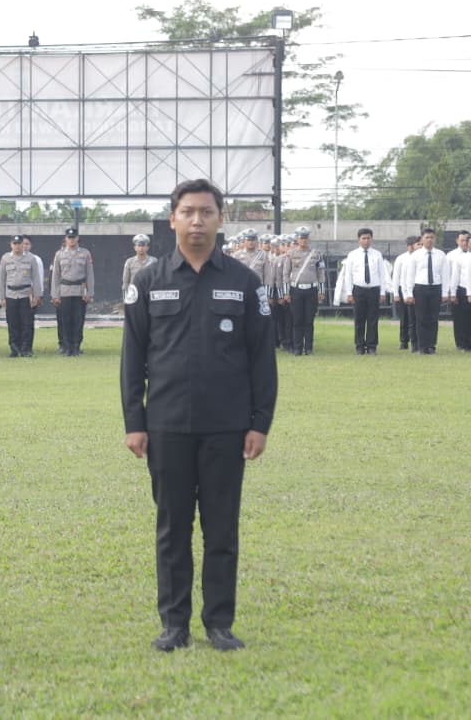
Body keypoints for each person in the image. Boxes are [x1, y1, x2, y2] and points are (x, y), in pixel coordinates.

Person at [120, 178, 277, 653]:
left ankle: (219, 623)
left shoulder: (244, 282)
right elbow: (133, 358)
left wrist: (259, 422)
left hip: (227, 427)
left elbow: (261, 359)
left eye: (206, 212)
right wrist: (134, 422)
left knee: (221, 527)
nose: (197, 220)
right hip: (166, 427)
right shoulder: (148, 281)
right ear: (172, 219)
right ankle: (174, 623)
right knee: (172, 529)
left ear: (220, 219)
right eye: (187, 212)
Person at [333, 228, 390, 355]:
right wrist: (349, 293)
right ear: (359, 240)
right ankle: (359, 346)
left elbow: (382, 274)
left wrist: (382, 292)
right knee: (359, 319)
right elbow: (348, 276)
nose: (366, 240)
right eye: (363, 238)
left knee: (373, 319)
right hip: (358, 290)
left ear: (372, 239)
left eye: (368, 238)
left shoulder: (377, 255)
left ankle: (372, 346)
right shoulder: (353, 255)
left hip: (374, 289)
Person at [401, 228, 452, 355]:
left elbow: (445, 275)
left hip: (435, 287)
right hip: (420, 288)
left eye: (432, 237)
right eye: (427, 237)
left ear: (435, 239)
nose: (429, 239)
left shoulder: (441, 255)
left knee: (433, 318)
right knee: (421, 318)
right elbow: (410, 276)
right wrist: (408, 294)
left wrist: (445, 293)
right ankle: (422, 346)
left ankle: (431, 345)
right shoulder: (415, 256)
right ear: (422, 239)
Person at [281, 226, 325, 355]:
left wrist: (321, 291)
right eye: (301, 238)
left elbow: (321, 273)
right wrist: (286, 292)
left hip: (311, 290)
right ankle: (297, 348)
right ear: (297, 239)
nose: (304, 240)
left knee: (309, 320)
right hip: (296, 290)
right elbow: (285, 274)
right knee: (297, 320)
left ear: (309, 239)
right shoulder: (291, 254)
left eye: (306, 237)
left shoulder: (317, 254)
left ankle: (309, 348)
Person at [0, 234, 43, 357]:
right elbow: (1, 279)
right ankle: (14, 348)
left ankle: (26, 348)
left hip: (26, 294)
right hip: (10, 294)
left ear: (23, 244)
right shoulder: (5, 258)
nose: (17, 246)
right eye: (14, 244)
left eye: (19, 243)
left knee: (27, 323)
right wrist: (1, 297)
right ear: (11, 245)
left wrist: (37, 296)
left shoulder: (31, 258)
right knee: (12, 323)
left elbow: (36, 278)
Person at [50, 227, 94, 356]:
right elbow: (56, 276)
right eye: (69, 237)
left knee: (78, 320)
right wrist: (55, 294)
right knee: (66, 320)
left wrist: (89, 293)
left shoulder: (85, 254)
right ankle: (67, 346)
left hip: (80, 291)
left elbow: (89, 274)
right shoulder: (60, 254)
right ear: (65, 239)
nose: (71, 240)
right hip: (65, 291)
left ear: (77, 238)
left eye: (73, 237)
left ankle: (76, 346)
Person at [392, 236, 419, 351]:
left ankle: (416, 341)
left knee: (414, 317)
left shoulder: (419, 258)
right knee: (405, 318)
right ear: (410, 246)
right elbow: (396, 277)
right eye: (418, 244)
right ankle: (404, 341)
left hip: (416, 288)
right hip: (402, 289)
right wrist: (395, 294)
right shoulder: (401, 258)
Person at [447, 231, 471, 351]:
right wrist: (452, 292)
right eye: (462, 240)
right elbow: (452, 275)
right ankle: (461, 343)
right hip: (460, 289)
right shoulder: (453, 256)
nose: (464, 243)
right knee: (460, 318)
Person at [121, 234, 157, 303]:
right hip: (134, 295)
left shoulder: (154, 261)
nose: (141, 248)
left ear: (147, 247)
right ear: (135, 247)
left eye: (143, 246)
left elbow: (157, 280)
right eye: (139, 246)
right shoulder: (129, 262)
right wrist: (126, 300)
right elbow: (125, 282)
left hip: (149, 295)